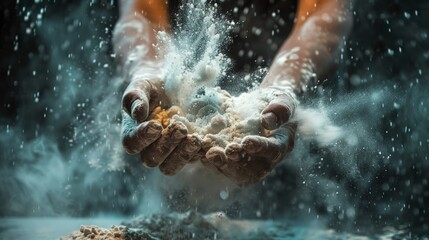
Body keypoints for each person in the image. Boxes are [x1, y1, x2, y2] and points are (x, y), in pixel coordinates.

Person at [113, 0, 353, 186]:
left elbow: (324, 13)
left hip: (297, 118)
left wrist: (283, 83)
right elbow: (141, 14)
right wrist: (148, 70)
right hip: (152, 179)